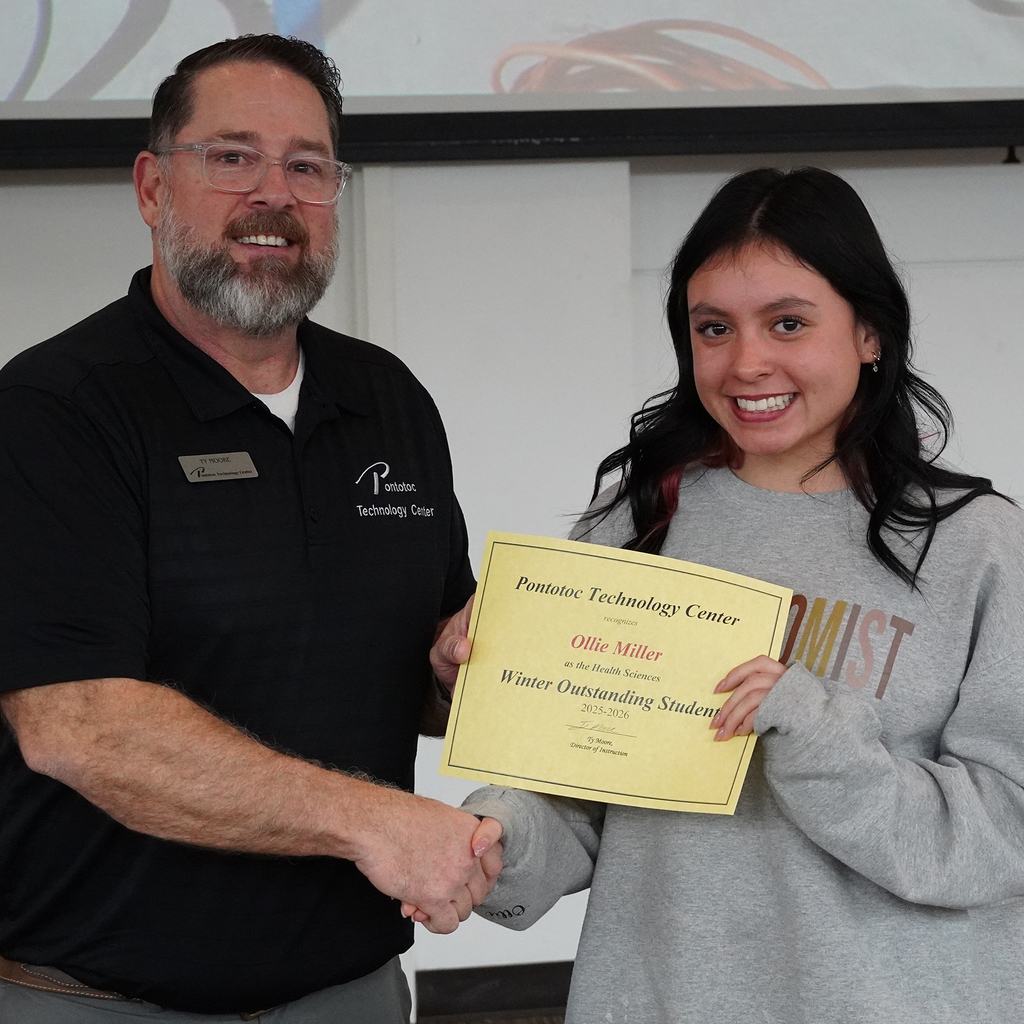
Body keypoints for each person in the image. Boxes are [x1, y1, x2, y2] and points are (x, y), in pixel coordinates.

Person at [445, 167, 1024, 1022]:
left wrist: (814, 731)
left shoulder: (976, 543)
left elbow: (1003, 833)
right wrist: (493, 840)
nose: (747, 362)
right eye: (713, 328)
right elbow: (578, 801)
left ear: (870, 331)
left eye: (788, 322)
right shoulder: (638, 521)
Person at [0, 34, 498, 1024]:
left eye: (306, 167)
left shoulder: (386, 398)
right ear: (152, 186)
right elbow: (80, 728)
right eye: (232, 157)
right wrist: (371, 821)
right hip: (99, 1000)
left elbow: (419, 670)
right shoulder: (55, 410)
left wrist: (476, 671)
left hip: (346, 990)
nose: (273, 194)